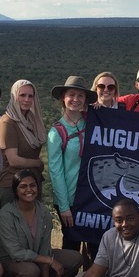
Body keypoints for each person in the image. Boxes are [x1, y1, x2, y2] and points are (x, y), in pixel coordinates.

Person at [0, 169, 83, 277]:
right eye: (23, 186)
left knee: (75, 258)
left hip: (36, 257)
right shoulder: (7, 214)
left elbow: (45, 249)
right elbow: (16, 252)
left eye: (32, 185)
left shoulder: (43, 211)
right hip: (10, 260)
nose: (29, 190)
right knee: (30, 271)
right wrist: (49, 260)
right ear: (16, 190)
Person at [47, 75, 96, 255]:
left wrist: (100, 111)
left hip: (92, 196)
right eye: (71, 95)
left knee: (95, 245)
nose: (75, 99)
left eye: (80, 96)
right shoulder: (56, 132)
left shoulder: (92, 122)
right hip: (70, 198)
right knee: (71, 246)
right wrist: (64, 206)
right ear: (63, 98)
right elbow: (56, 172)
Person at [0, 79, 47, 205]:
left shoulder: (32, 121)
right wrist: (37, 163)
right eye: (22, 95)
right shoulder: (8, 122)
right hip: (12, 186)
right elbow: (13, 160)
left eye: (31, 96)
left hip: (32, 185)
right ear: (14, 97)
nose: (27, 99)